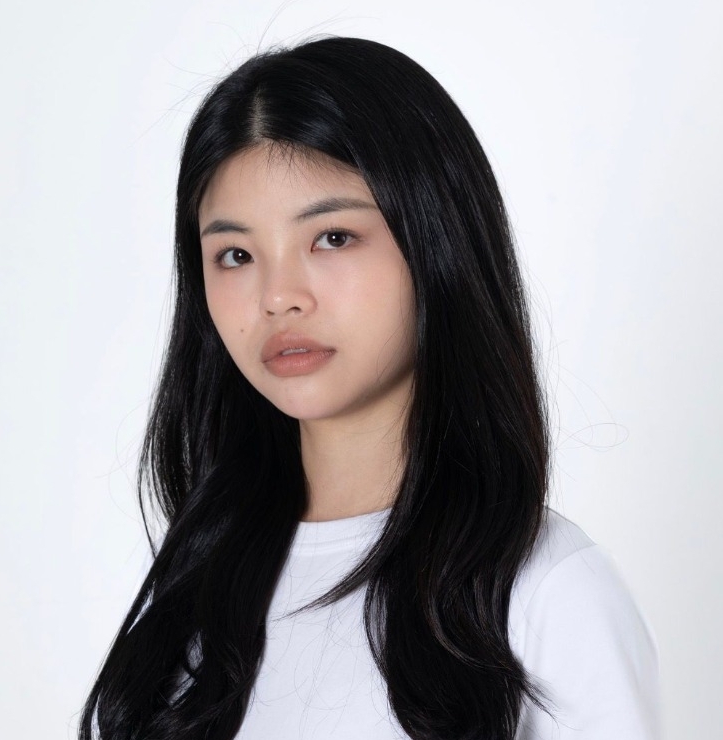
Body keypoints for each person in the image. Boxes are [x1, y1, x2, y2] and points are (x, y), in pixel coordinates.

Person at [79, 36, 660, 740]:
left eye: (332, 238)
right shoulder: (186, 599)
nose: (278, 296)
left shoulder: (548, 593)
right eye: (235, 254)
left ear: (435, 239)